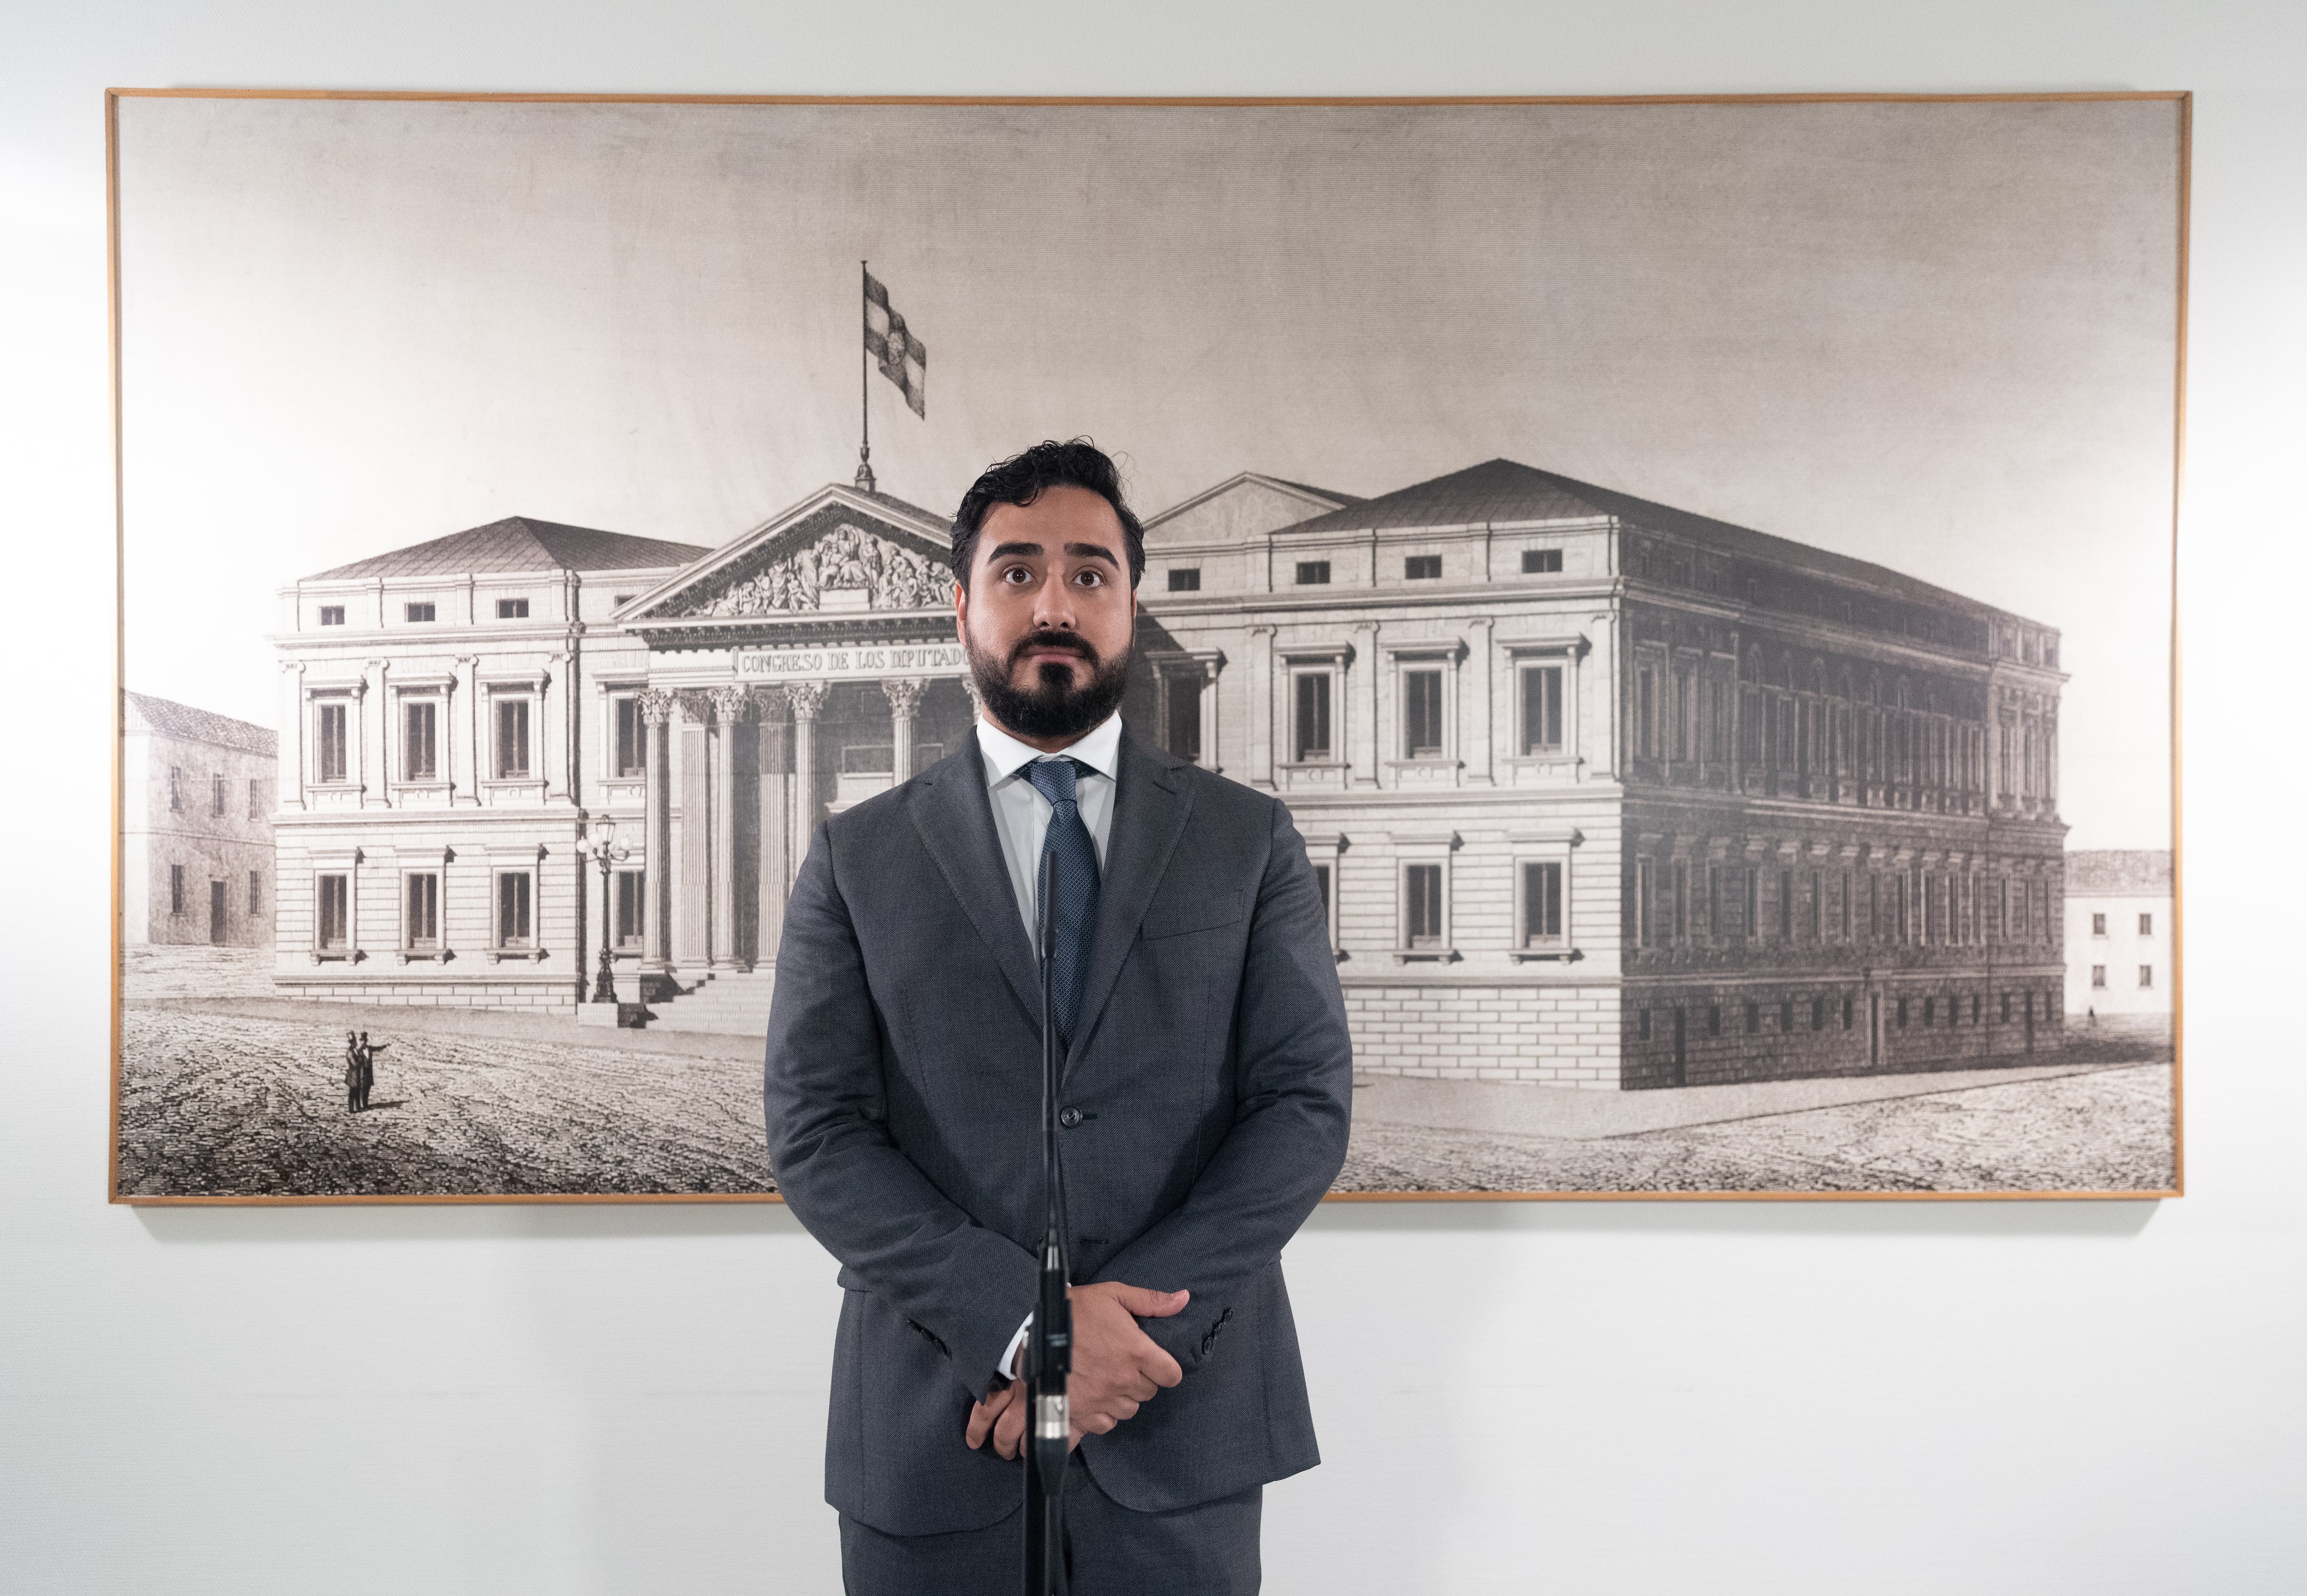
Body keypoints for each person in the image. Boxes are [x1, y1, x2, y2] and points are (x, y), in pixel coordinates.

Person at [765, 439, 1353, 1594]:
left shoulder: (1248, 842)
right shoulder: (855, 857)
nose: (1054, 603)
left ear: (1130, 606)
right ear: (961, 607)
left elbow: (1301, 1106)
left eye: (1089, 574)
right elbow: (818, 1132)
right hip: (938, 1427)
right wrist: (1027, 1333)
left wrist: (1125, 1348)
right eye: (1016, 571)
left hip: (1179, 1425)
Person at [356, 1032, 387, 1112]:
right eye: (362, 1041)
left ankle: (366, 1105)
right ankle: (362, 1106)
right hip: (363, 1072)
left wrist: (384, 1046)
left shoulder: (369, 1049)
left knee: (368, 1088)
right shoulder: (359, 1051)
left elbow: (377, 1048)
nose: (364, 1042)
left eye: (365, 1041)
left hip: (369, 1072)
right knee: (363, 1089)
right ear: (361, 1042)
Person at [342, 1031, 363, 1114]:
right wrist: (361, 1061)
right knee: (352, 1092)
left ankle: (358, 1107)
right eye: (355, 1042)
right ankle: (351, 1109)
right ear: (352, 1043)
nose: (356, 1043)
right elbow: (354, 1064)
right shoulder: (350, 1052)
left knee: (357, 1091)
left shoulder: (355, 1050)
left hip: (356, 1074)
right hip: (353, 1074)